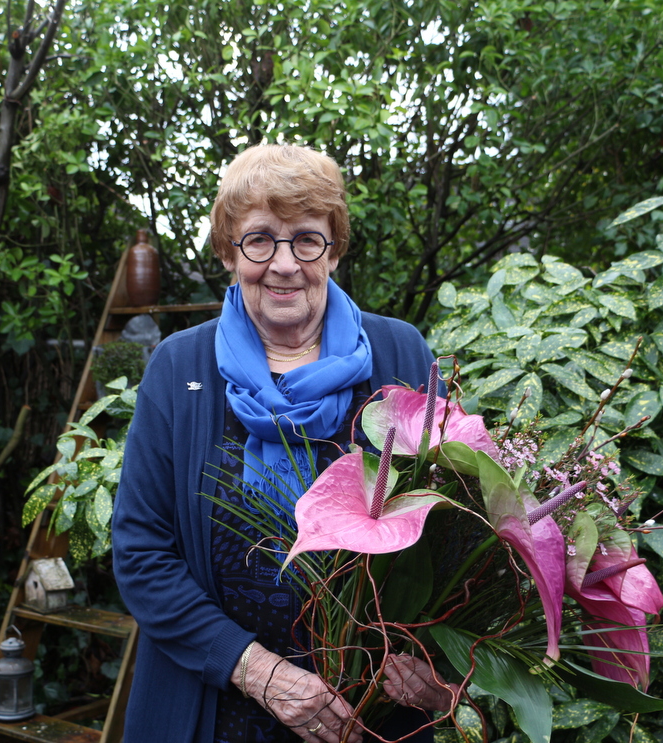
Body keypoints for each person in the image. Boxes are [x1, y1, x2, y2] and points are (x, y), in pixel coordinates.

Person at [112, 144, 457, 743]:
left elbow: (454, 527)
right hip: (221, 711)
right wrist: (259, 673)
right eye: (259, 241)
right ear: (228, 252)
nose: (284, 264)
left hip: (374, 716)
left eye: (306, 239)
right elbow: (142, 552)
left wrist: (439, 670)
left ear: (334, 248)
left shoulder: (400, 353)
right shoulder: (178, 368)